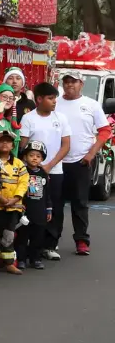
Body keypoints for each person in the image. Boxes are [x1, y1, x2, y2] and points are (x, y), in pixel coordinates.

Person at [53, 70, 113, 256]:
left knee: (80, 202)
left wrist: (91, 154)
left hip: (81, 161)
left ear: (81, 84)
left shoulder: (91, 105)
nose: (70, 85)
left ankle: (81, 241)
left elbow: (104, 131)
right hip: (56, 162)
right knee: (56, 202)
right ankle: (52, 240)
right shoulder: (55, 103)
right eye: (67, 81)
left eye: (74, 82)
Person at [18, 82, 71, 261]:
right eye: (50, 98)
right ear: (39, 99)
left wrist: (49, 165)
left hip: (54, 170)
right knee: (31, 207)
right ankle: (27, 246)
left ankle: (49, 245)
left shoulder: (61, 118)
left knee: (54, 207)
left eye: (55, 97)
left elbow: (66, 145)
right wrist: (31, 167)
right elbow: (22, 145)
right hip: (31, 172)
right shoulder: (28, 119)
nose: (54, 101)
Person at [0, 119, 28, 275]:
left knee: (9, 236)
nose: (4, 144)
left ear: (13, 145)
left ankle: (9, 263)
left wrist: (15, 198)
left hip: (13, 206)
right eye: (1, 141)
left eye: (8, 142)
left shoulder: (19, 164)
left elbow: (24, 182)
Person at [18, 140, 52, 270]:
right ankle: (21, 258)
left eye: (38, 156)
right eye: (31, 155)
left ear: (42, 158)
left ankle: (35, 258)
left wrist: (48, 209)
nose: (34, 159)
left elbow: (48, 193)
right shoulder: (22, 171)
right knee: (22, 235)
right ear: (25, 157)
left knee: (38, 236)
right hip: (25, 209)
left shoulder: (43, 173)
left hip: (40, 210)